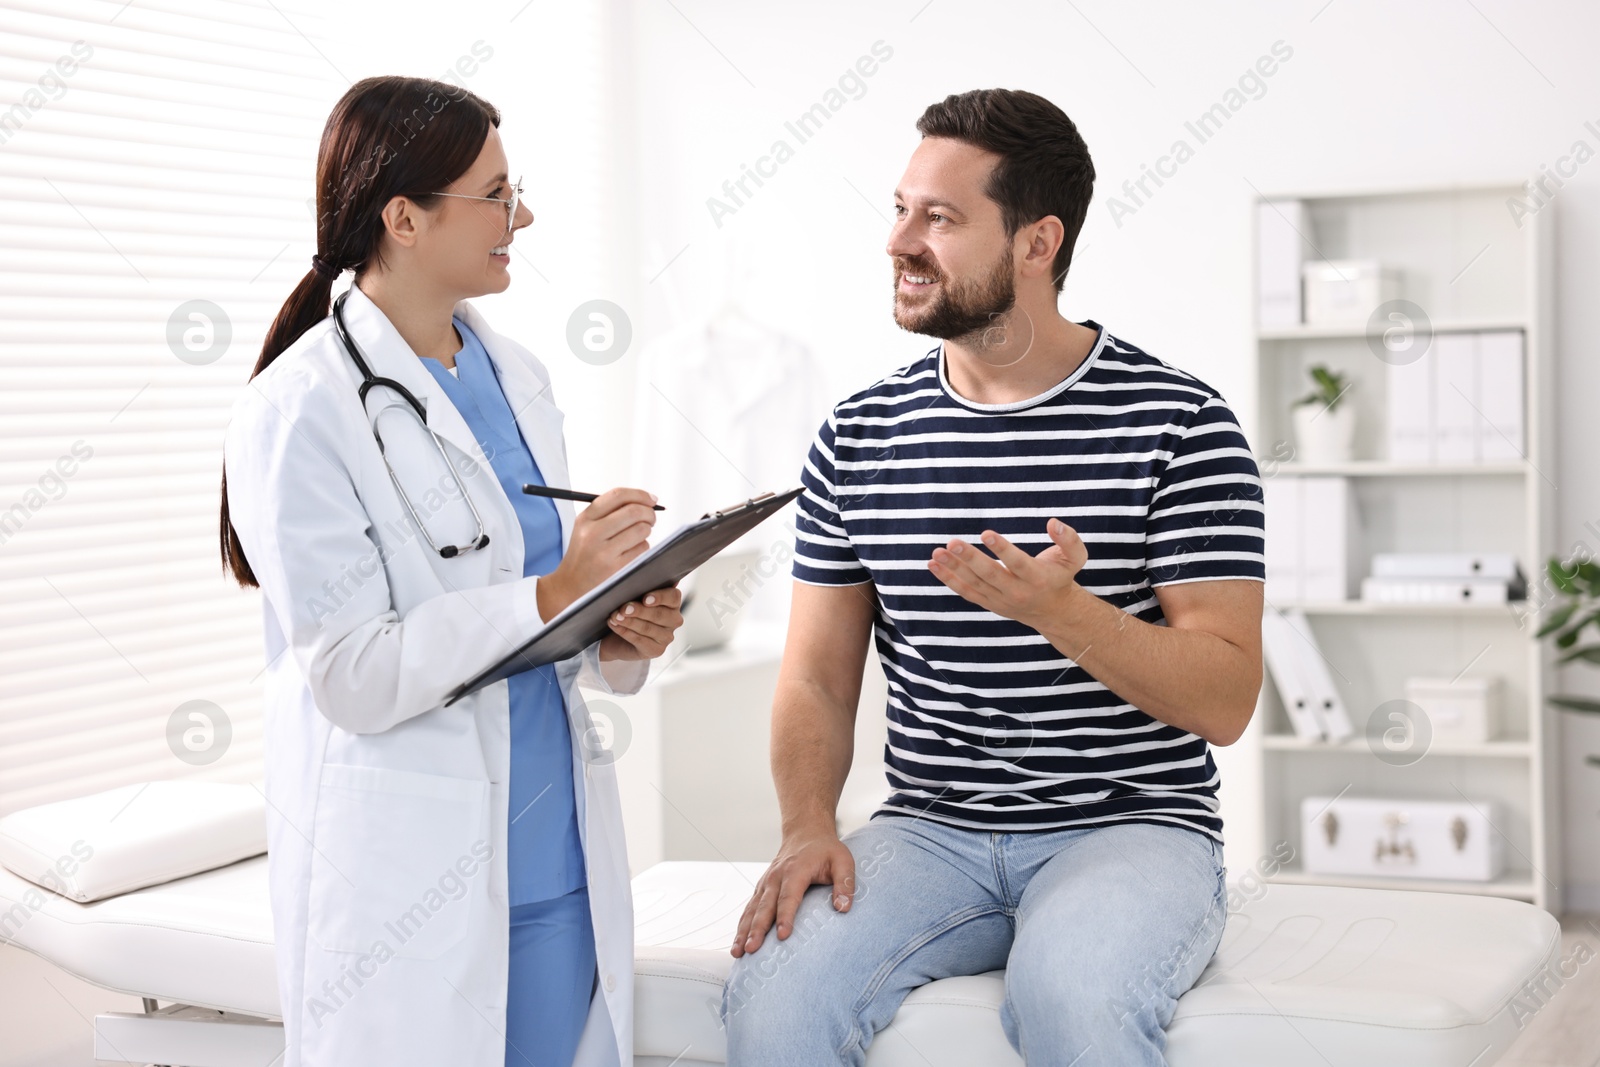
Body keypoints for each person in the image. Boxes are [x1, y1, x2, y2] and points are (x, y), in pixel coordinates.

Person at [720, 88, 1265, 1066]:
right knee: (775, 999)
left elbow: (1225, 696)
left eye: (939, 217)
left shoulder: (1181, 423)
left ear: (1035, 241)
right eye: (898, 209)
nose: (899, 241)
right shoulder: (858, 435)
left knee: (1075, 1000)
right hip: (929, 827)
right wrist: (806, 823)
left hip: (1131, 824)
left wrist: (1066, 614)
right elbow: (815, 675)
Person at [220, 76, 682, 1067]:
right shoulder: (299, 405)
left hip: (552, 857)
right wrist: (558, 592)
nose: (524, 215)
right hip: (406, 879)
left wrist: (614, 623)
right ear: (404, 217)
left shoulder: (518, 375)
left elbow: (530, 602)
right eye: (496, 193)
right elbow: (349, 670)